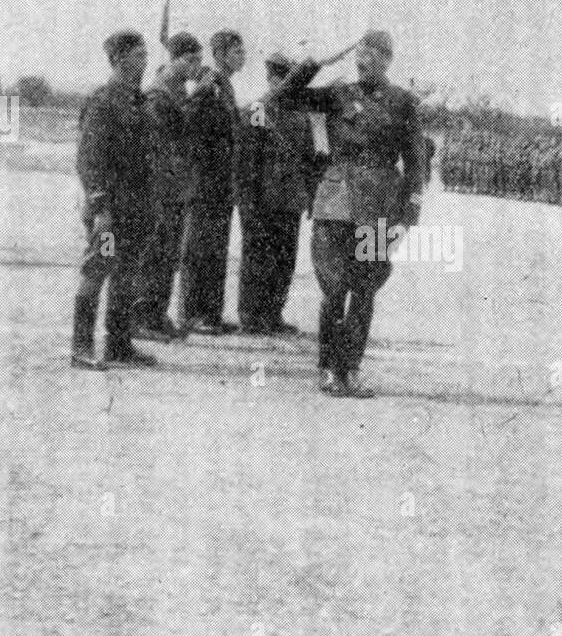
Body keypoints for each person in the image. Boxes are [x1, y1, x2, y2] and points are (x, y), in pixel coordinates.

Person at [278, 31, 425, 398]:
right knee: (333, 288)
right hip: (337, 200)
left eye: (375, 56)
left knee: (364, 290)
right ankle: (328, 367)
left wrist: (410, 212)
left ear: (388, 59)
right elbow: (287, 97)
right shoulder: (338, 93)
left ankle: (352, 369)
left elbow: (416, 162)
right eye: (361, 56)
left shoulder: (403, 102)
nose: (366, 62)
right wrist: (315, 63)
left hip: (379, 203)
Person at [70, 30, 156, 370]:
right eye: (138, 55)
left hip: (138, 207)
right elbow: (89, 160)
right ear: (119, 59)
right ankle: (81, 348)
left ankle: (119, 344)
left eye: (145, 55)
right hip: (111, 209)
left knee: (128, 273)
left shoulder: (139, 101)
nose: (145, 61)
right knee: (98, 268)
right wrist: (101, 208)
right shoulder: (103, 101)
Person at [234, 52, 319, 334]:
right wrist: (247, 199)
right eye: (278, 79)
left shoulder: (300, 116)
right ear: (271, 79)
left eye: (286, 79)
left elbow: (309, 158)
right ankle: (250, 316)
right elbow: (248, 159)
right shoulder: (259, 110)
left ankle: (273, 313)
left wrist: (309, 195)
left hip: (290, 198)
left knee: (285, 259)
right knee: (257, 256)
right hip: (262, 197)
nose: (282, 84)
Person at [132, 39, 200, 339]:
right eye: (192, 61)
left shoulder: (177, 90)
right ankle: (144, 317)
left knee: (169, 255)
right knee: (155, 253)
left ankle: (157, 314)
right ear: (177, 60)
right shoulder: (159, 94)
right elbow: (160, 145)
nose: (197, 67)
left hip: (176, 187)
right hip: (161, 188)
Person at [182, 29, 246, 335]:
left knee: (216, 249)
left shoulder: (225, 85)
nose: (242, 56)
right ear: (220, 55)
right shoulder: (209, 82)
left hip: (221, 180)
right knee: (199, 248)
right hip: (205, 179)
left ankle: (211, 314)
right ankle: (193, 314)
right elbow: (191, 123)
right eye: (236, 51)